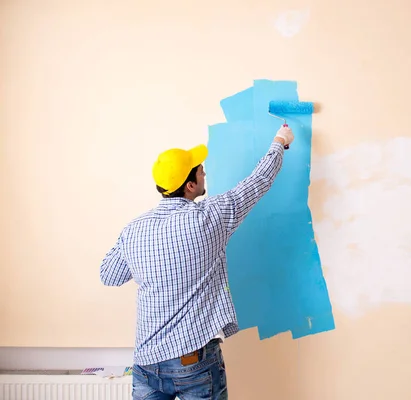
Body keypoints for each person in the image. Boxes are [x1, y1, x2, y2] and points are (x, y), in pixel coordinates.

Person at [99, 125, 295, 400]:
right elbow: (257, 182)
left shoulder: (134, 229)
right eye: (200, 170)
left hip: (146, 363)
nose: (204, 173)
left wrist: (142, 256)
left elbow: (109, 275)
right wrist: (279, 141)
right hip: (192, 363)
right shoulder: (209, 217)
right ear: (190, 185)